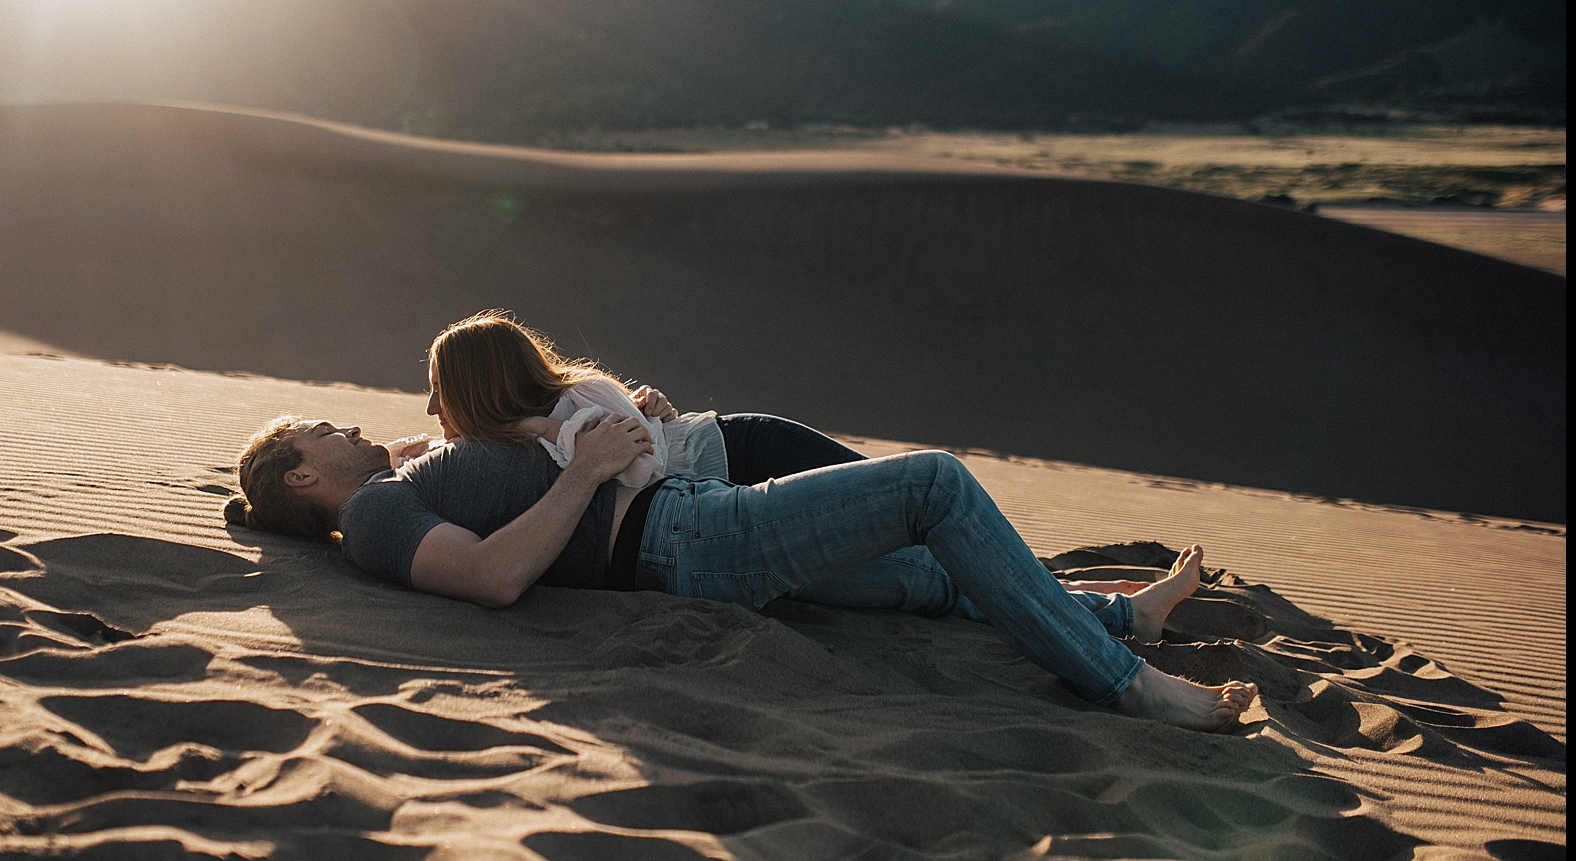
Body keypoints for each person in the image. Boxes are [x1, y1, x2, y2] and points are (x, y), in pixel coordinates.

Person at [227, 312, 1257, 731]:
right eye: (325, 428)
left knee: (925, 576)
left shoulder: (399, 478)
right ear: (303, 474)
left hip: (687, 521)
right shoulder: (373, 518)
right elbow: (496, 575)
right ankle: (1133, 686)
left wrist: (616, 434)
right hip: (682, 542)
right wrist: (586, 469)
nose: (349, 423)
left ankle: (1125, 621)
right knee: (934, 486)